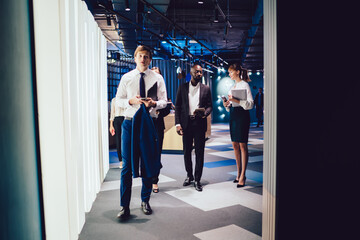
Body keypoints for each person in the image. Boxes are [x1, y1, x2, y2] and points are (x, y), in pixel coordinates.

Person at [115, 45, 168, 219]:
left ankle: (145, 200)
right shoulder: (127, 78)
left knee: (147, 164)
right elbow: (118, 101)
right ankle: (124, 206)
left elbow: (164, 102)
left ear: (150, 59)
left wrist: (154, 104)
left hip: (148, 123)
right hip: (130, 123)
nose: (143, 59)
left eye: (146, 56)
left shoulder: (158, 78)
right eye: (140, 56)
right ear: (135, 58)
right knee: (127, 167)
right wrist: (130, 101)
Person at [175, 64, 213, 192]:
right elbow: (178, 108)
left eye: (201, 72)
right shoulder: (182, 87)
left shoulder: (206, 89)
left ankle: (197, 179)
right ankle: (189, 176)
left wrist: (205, 113)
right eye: (197, 72)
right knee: (186, 152)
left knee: (199, 153)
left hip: (199, 123)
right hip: (186, 124)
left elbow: (210, 106)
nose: (200, 74)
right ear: (191, 72)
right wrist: (177, 124)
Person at [223, 63, 254, 188]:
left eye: (230, 72)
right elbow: (231, 105)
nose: (229, 74)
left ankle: (243, 175)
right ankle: (238, 173)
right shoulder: (232, 87)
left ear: (237, 71)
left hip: (242, 116)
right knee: (235, 145)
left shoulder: (245, 85)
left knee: (242, 145)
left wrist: (237, 101)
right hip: (234, 115)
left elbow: (250, 104)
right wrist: (227, 105)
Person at [150, 66, 171, 193]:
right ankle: (149, 176)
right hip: (146, 124)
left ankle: (154, 181)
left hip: (158, 124)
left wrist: (158, 112)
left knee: (157, 153)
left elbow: (167, 109)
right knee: (146, 154)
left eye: (157, 73)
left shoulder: (162, 93)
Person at [109, 97, 125, 168]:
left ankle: (126, 160)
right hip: (117, 119)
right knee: (118, 140)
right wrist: (111, 125)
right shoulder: (114, 100)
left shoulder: (126, 99)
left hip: (125, 119)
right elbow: (112, 113)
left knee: (125, 140)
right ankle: (121, 161)